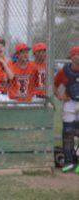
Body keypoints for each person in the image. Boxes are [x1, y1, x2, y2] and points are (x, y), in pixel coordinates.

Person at [54, 46, 79, 174]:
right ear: (72, 57)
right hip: (69, 103)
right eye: (77, 54)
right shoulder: (64, 71)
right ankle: (69, 163)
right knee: (68, 132)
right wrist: (60, 96)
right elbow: (54, 84)